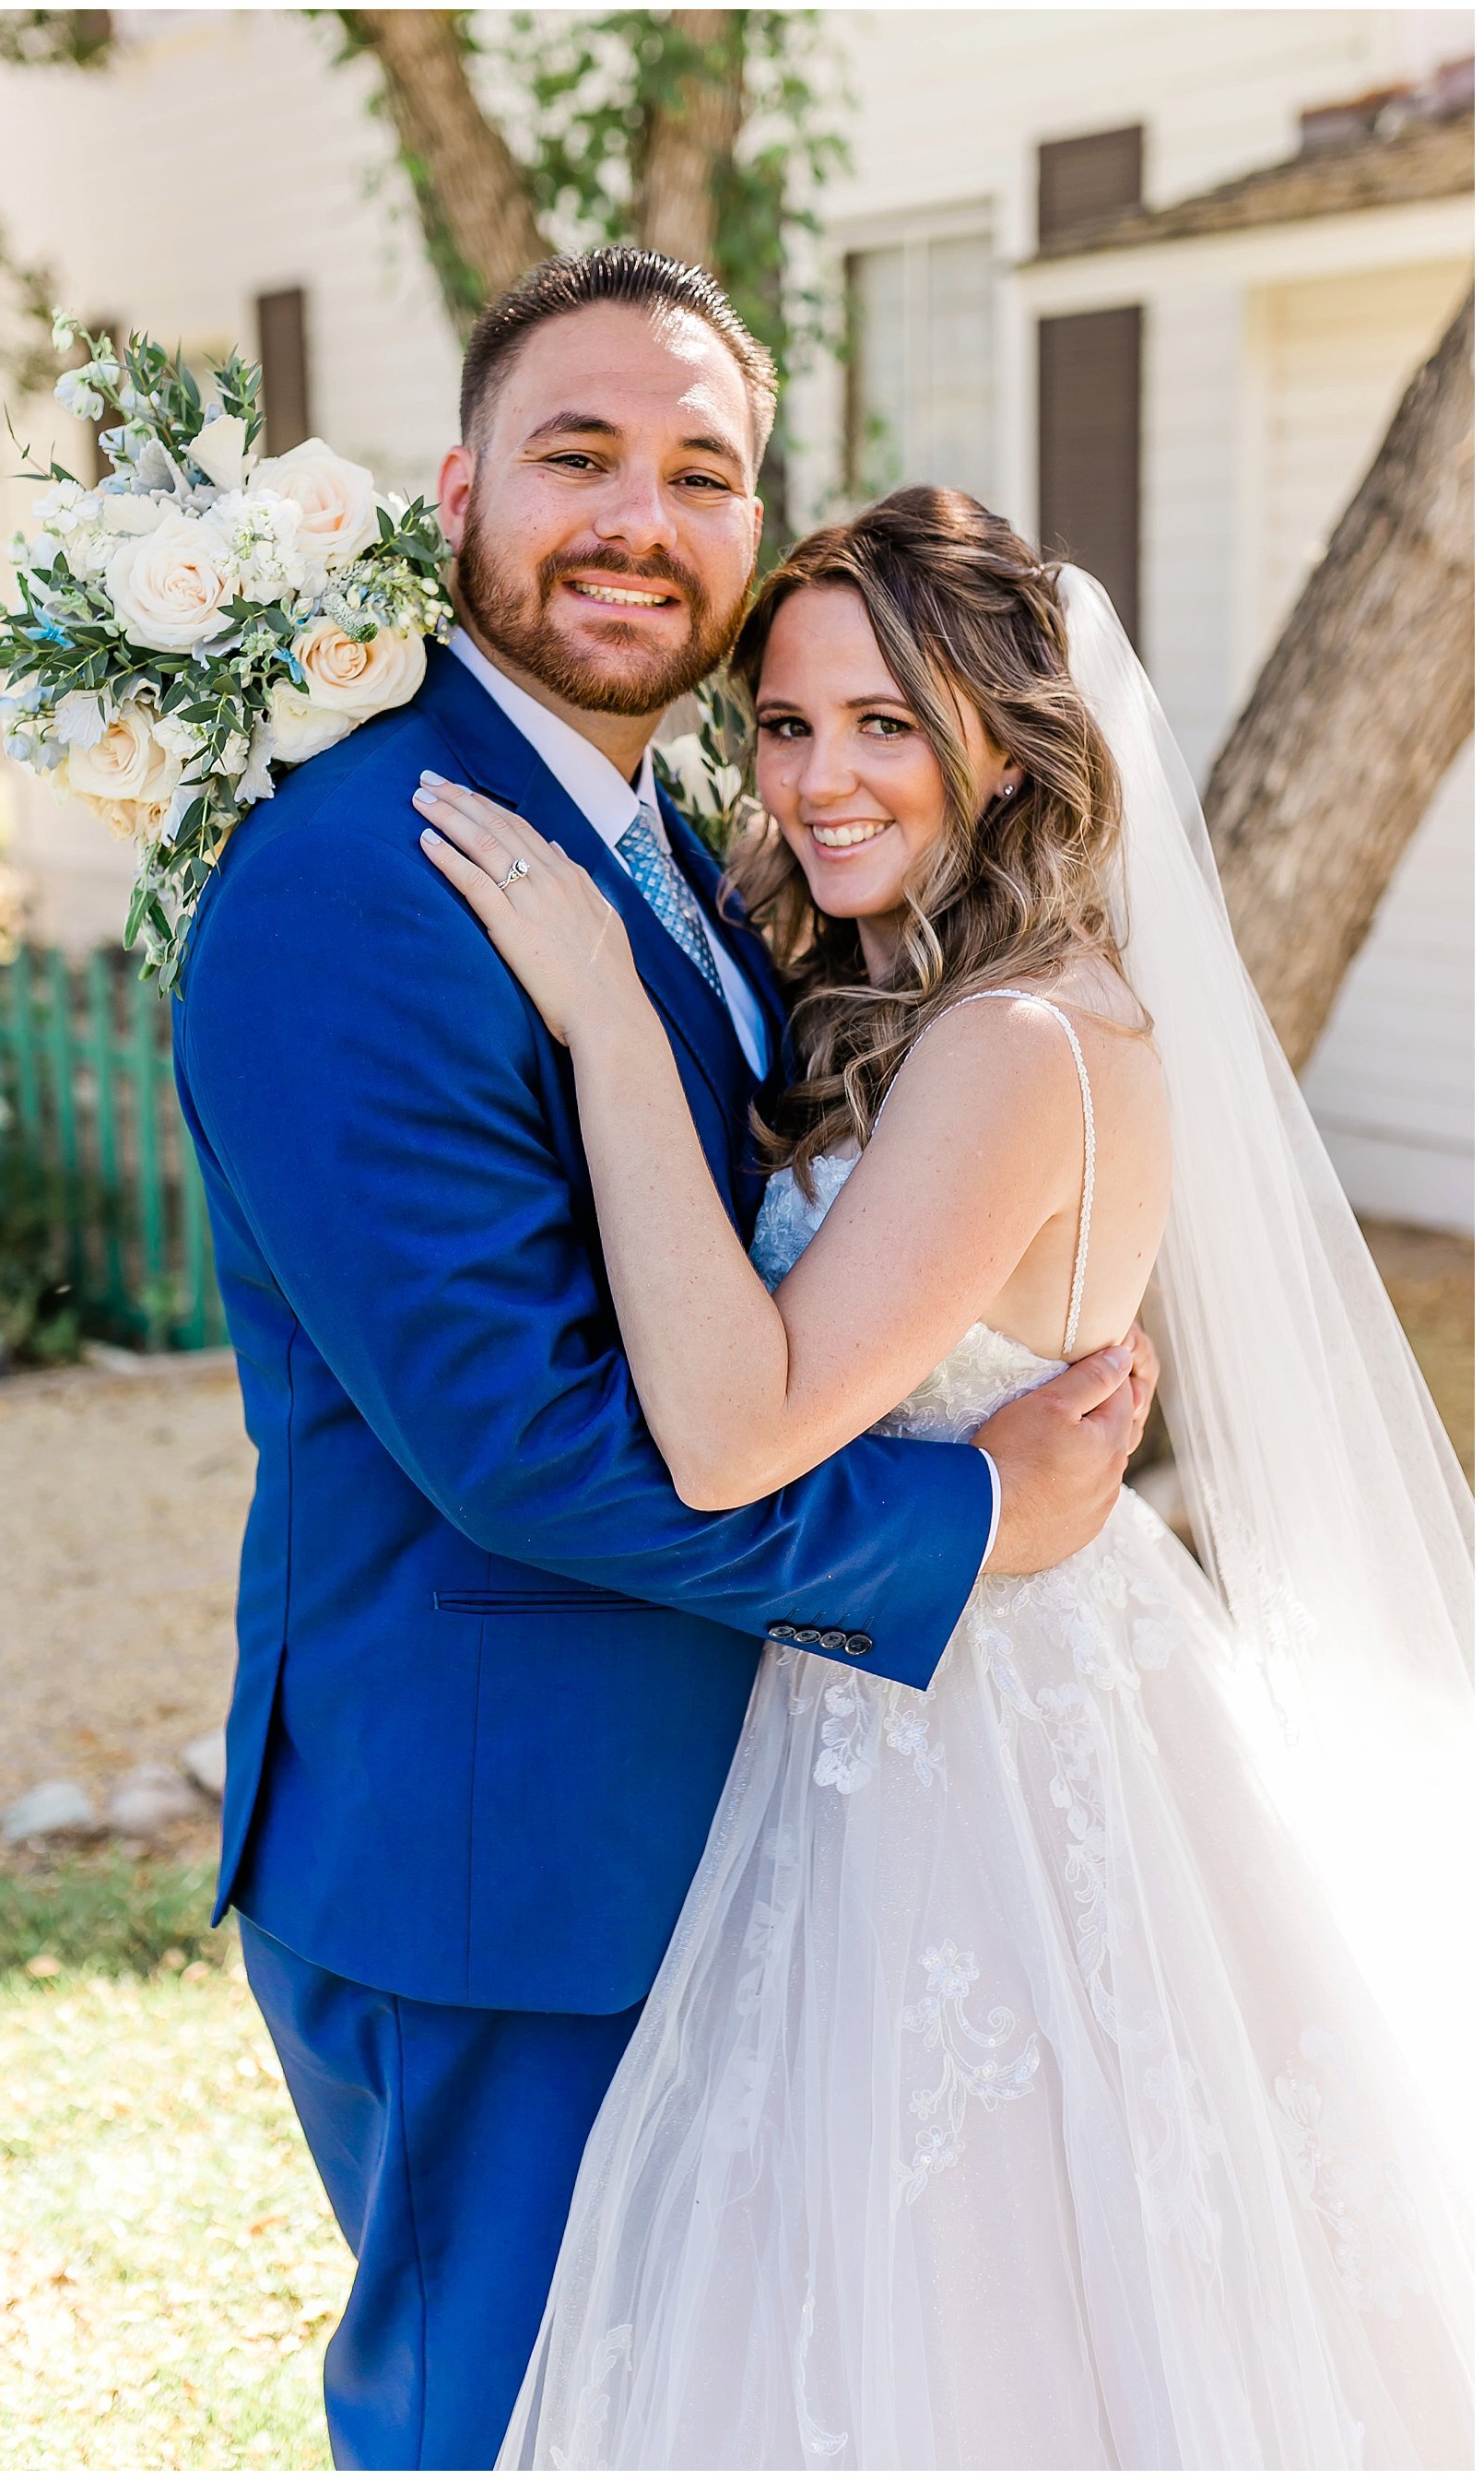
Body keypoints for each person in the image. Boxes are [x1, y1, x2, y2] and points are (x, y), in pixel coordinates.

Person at [171, 252, 1151, 2471]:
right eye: (577, 453)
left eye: (699, 470)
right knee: (509, 2429)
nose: (639, 513)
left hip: (741, 1825)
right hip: (505, 1856)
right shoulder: (368, 874)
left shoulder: (685, 865)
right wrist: (970, 1507)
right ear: (456, 493)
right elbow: (531, 1446)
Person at [417, 488, 1474, 2469]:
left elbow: (739, 1429)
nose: (819, 779)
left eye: (884, 723)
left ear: (1009, 737)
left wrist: (599, 1021)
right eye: (791, 724)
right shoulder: (910, 999)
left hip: (987, 1739)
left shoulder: (1016, 1043)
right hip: (889, 1689)